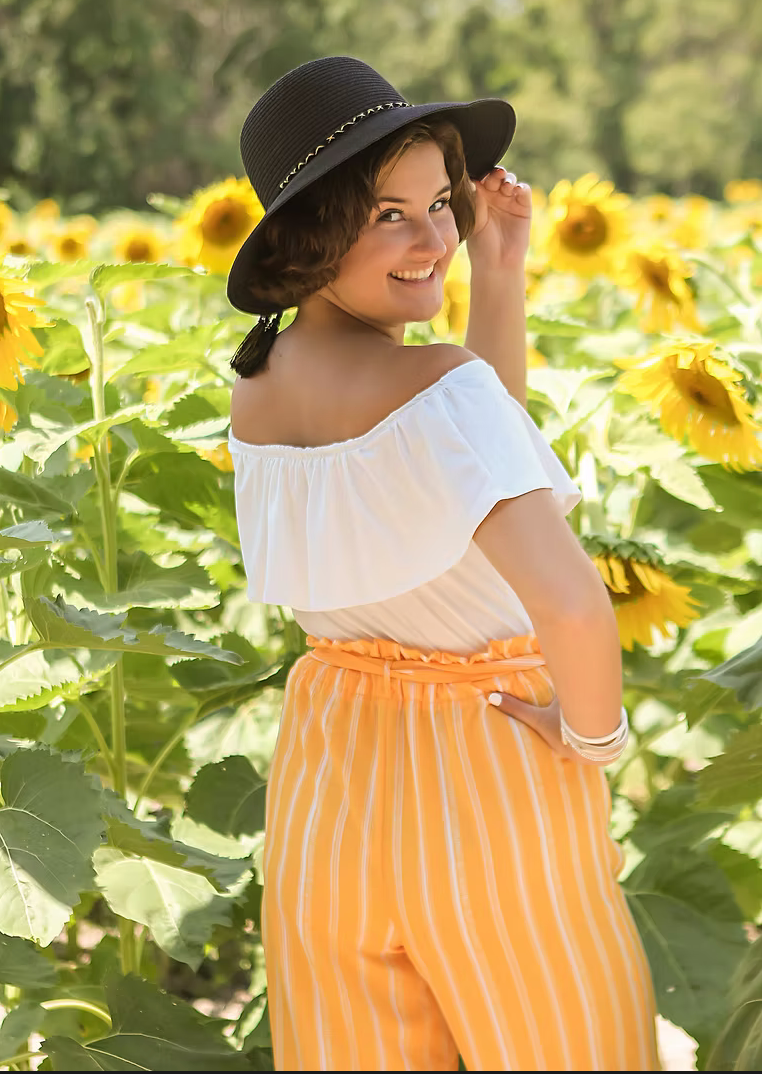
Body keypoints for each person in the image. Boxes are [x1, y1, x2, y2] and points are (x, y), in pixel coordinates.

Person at [226, 56, 660, 1071]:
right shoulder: (439, 390)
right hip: (491, 766)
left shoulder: (258, 388)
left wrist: (497, 270)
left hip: (328, 774)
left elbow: (466, 455)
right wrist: (592, 738)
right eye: (389, 215)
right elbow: (573, 606)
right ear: (311, 232)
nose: (434, 240)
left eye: (440, 205)